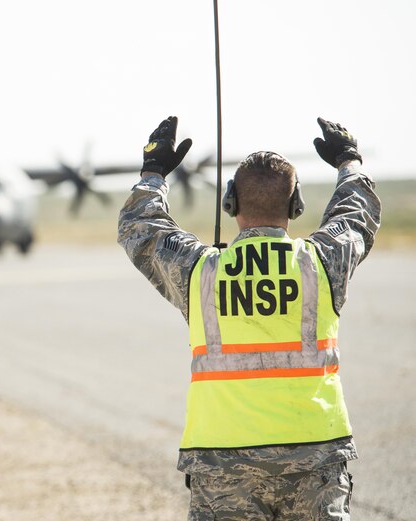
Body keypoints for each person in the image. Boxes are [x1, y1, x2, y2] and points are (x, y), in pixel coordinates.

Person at [117, 116, 381, 520]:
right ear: (296, 205)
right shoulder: (321, 262)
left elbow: (141, 227)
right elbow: (355, 216)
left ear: (230, 203)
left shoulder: (201, 271)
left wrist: (153, 172)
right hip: (315, 451)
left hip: (223, 459)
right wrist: (349, 162)